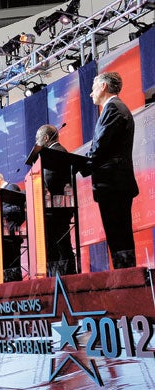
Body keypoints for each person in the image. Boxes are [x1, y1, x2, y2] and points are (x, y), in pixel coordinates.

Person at [85, 71, 139, 269]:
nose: (91, 94)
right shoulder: (114, 108)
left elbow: (100, 146)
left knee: (119, 235)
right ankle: (125, 278)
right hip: (114, 183)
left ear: (103, 87)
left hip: (113, 183)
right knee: (118, 236)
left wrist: (81, 165)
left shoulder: (113, 109)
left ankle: (126, 281)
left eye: (93, 88)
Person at [35, 124, 76, 276]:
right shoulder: (53, 152)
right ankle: (60, 277)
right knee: (57, 245)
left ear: (46, 138)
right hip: (54, 208)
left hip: (57, 209)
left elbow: (49, 179)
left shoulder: (56, 153)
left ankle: (66, 278)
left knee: (61, 245)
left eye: (37, 139)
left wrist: (39, 186)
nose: (36, 143)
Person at [0, 171, 25, 282]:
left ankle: (17, 292)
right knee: (5, 270)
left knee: (13, 268)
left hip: (12, 235)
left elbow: (17, 209)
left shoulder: (11, 187)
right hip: (2, 236)